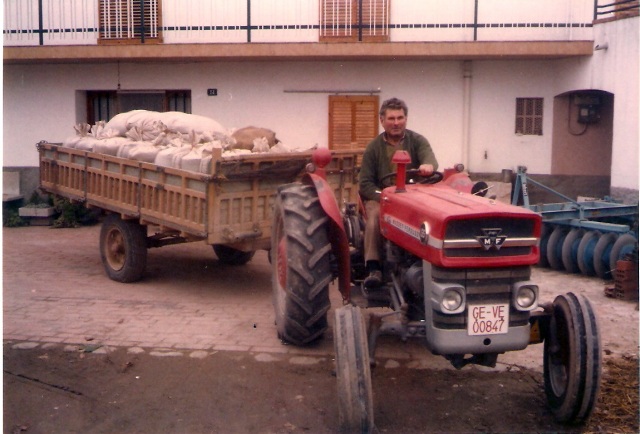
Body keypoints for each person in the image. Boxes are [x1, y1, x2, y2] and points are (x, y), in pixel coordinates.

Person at [359, 97, 439, 289]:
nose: (396, 123)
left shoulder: (418, 141)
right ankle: (374, 267)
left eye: (400, 118)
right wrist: (384, 198)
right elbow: (365, 184)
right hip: (381, 196)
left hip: (412, 195)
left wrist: (428, 166)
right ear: (382, 121)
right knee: (375, 218)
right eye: (391, 118)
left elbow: (429, 160)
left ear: (406, 119)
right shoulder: (373, 148)